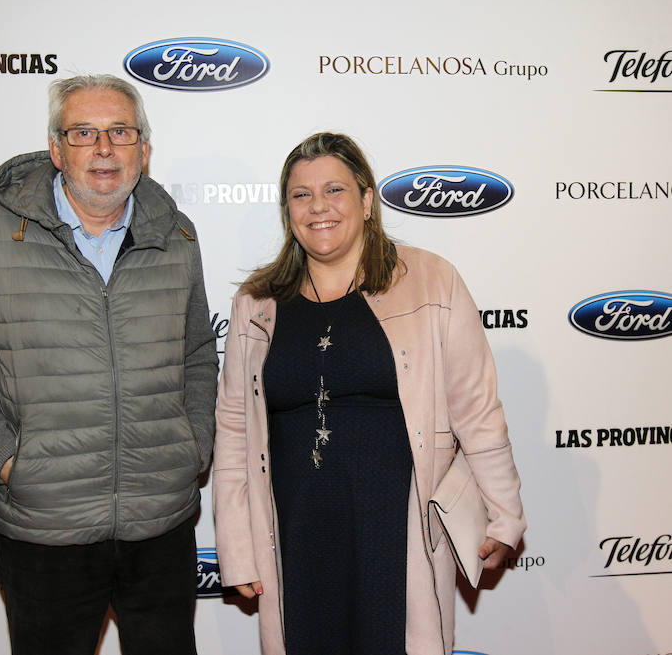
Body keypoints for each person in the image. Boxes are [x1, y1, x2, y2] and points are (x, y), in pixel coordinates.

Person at [0, 74, 218, 655]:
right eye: (84, 132)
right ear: (56, 149)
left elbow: (199, 354)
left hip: (161, 521)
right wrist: (9, 461)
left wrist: (193, 445)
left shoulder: (178, 236)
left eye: (120, 132)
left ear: (143, 149)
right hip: (44, 526)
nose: (104, 148)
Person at [212, 132, 525, 655]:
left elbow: (476, 407)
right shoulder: (257, 302)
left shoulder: (430, 281)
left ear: (367, 199)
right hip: (294, 530)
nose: (319, 207)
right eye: (301, 194)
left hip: (395, 527)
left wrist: (504, 512)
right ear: (287, 209)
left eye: (334, 189)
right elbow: (234, 430)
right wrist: (238, 548)